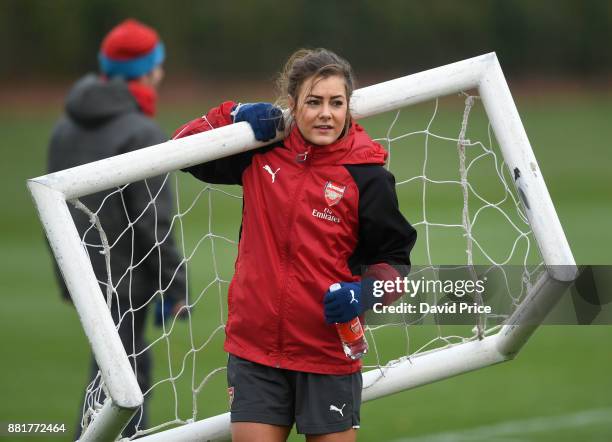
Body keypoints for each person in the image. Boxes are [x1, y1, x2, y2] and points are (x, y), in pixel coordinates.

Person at [173, 48, 416, 441]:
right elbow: (181, 150)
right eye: (314, 102)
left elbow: (396, 262)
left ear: (348, 106)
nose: (325, 113)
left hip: (326, 353)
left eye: (336, 103)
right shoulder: (260, 151)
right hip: (255, 352)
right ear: (292, 105)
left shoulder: (368, 176)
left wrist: (365, 293)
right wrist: (231, 116)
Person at [47, 19, 187, 438]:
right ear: (146, 70)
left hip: (80, 276)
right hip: (127, 284)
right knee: (127, 391)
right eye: (157, 64)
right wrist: (175, 286)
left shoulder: (63, 128)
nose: (161, 73)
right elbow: (153, 223)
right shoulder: (142, 132)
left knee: (109, 377)